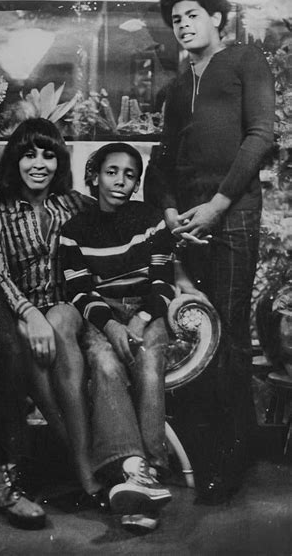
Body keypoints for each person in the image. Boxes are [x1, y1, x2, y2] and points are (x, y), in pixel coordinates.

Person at [144, 0, 275, 504]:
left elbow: (260, 136)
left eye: (193, 14)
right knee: (195, 333)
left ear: (218, 18)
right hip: (188, 226)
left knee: (229, 333)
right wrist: (173, 211)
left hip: (233, 215)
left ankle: (231, 458)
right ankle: (199, 452)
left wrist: (219, 204)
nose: (183, 24)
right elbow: (164, 157)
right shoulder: (178, 86)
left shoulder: (246, 62)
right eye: (176, 18)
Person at [60, 142, 206, 532]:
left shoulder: (151, 220)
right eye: (112, 172)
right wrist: (110, 326)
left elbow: (161, 283)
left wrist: (140, 320)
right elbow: (79, 292)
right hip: (102, 314)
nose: (120, 181)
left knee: (149, 357)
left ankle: (142, 475)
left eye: (129, 175)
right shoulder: (74, 231)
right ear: (93, 176)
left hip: (147, 309)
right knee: (105, 362)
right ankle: (137, 470)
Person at [0, 118, 113, 529]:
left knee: (59, 318)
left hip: (66, 307)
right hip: (22, 311)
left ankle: (80, 463)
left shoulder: (76, 204)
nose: (39, 164)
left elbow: (120, 232)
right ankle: (82, 464)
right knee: (28, 337)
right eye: (29, 154)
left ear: (60, 162)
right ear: (16, 161)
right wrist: (28, 313)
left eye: (48, 155)